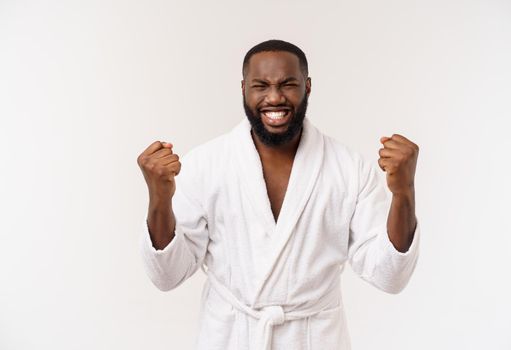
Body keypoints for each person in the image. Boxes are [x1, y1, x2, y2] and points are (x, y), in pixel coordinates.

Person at [137, 39, 420, 350]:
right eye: (261, 85)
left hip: (315, 339)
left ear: (307, 87)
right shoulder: (207, 165)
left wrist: (403, 192)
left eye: (288, 84)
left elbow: (390, 276)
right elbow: (167, 275)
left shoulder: (348, 169)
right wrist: (159, 198)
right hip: (231, 338)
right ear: (244, 88)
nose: (274, 97)